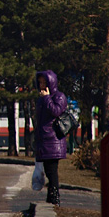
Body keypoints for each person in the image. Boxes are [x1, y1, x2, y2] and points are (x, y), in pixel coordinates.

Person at [34, 69, 68, 206]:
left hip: (53, 140)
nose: (42, 85)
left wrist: (47, 98)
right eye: (40, 82)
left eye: (44, 82)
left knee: (52, 170)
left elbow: (56, 111)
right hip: (44, 140)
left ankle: (55, 197)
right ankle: (51, 197)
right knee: (48, 170)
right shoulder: (42, 98)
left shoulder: (58, 96)